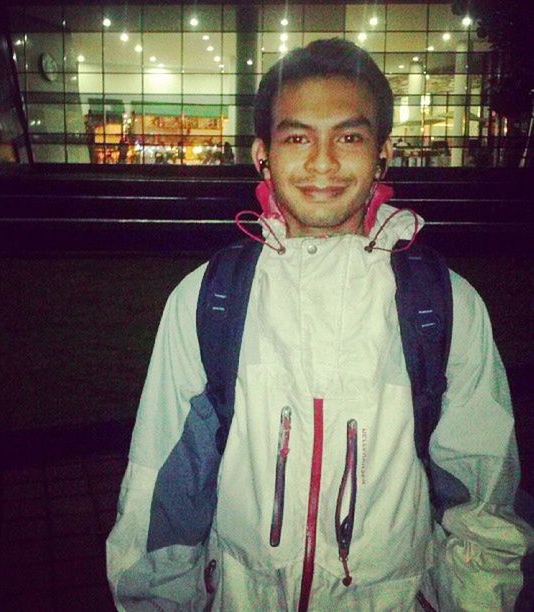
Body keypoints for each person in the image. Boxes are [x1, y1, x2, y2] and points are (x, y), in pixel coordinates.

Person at [107, 39, 532, 611]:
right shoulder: (207, 300)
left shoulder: (445, 305)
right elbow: (163, 492)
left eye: (349, 137)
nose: (324, 162)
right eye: (298, 137)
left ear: (383, 153)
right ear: (263, 154)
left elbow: (481, 499)